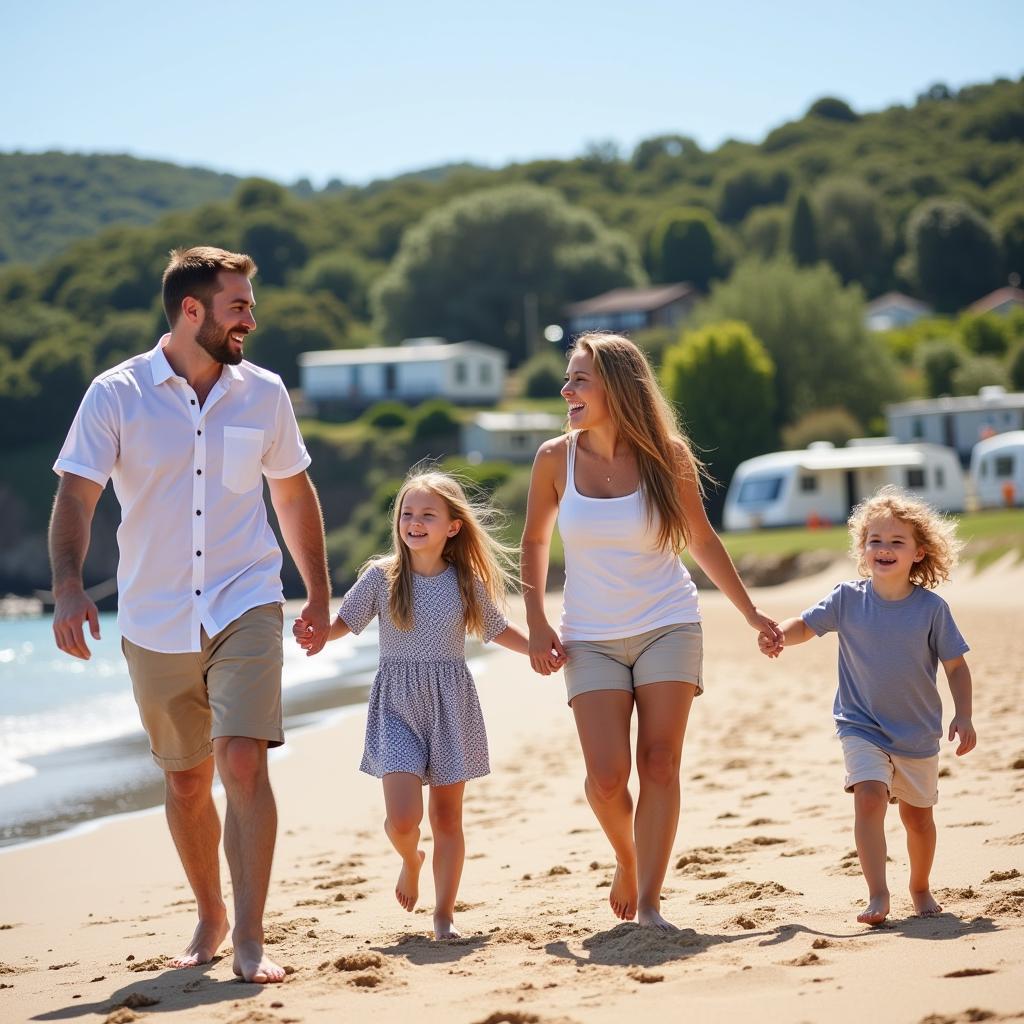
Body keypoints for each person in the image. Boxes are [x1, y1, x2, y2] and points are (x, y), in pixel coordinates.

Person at [49, 246, 331, 984]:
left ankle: (251, 936)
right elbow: (76, 496)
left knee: (242, 759)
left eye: (249, 304)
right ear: (191, 310)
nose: (251, 319)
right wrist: (71, 587)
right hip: (154, 613)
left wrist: (319, 593)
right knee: (185, 780)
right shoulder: (116, 394)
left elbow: (293, 497)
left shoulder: (264, 393)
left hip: (246, 598)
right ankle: (210, 910)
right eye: (238, 305)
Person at [520, 332, 782, 932]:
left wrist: (750, 613)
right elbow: (535, 541)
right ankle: (629, 855)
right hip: (589, 636)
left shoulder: (670, 455)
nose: (567, 390)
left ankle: (649, 904)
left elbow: (701, 540)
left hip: (668, 623)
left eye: (579, 379)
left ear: (617, 386)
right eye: (569, 379)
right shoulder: (552, 459)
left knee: (659, 762)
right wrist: (535, 622)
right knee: (607, 779)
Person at [294, 469, 536, 939]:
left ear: (453, 526)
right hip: (397, 706)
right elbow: (346, 621)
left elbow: (495, 628)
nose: (415, 522)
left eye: (428, 514)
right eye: (408, 513)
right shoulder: (381, 577)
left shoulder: (464, 581)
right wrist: (320, 634)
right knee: (404, 819)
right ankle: (410, 858)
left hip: (451, 704)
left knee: (448, 817)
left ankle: (444, 915)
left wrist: (540, 650)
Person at [758, 486, 975, 925]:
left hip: (916, 733)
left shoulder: (932, 610)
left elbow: (956, 667)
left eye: (897, 542)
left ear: (919, 553)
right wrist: (780, 633)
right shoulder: (847, 599)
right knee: (870, 798)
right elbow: (806, 624)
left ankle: (919, 885)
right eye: (876, 540)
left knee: (918, 820)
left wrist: (964, 713)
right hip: (861, 725)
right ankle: (878, 894)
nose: (885, 549)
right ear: (863, 549)